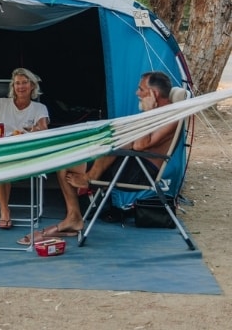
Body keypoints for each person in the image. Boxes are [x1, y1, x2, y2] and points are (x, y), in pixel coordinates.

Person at [17, 70, 178, 245]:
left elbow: (139, 145)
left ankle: (89, 180)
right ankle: (73, 218)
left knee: (115, 141)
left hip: (139, 170)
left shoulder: (170, 116)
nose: (137, 93)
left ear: (154, 94)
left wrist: (146, 112)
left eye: (141, 90)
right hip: (128, 161)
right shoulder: (158, 112)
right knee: (65, 160)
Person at [0, 68, 49, 229]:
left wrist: (34, 131)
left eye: (24, 83)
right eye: (17, 83)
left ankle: (4, 211)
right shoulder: (1, 104)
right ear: (13, 86)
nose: (21, 86)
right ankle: (4, 210)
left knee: (2, 163)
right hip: (2, 149)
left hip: (25, 151)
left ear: (32, 86)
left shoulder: (39, 108)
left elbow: (44, 130)